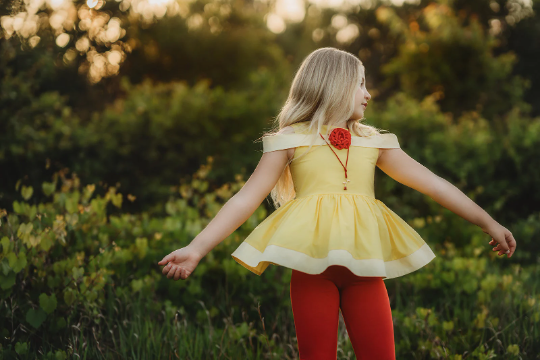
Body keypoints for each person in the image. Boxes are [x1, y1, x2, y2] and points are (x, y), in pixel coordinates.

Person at [158, 47, 517, 359]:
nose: (368, 94)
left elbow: (435, 186)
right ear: (334, 85)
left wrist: (488, 222)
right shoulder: (290, 139)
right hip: (313, 272)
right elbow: (245, 199)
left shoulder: (375, 142)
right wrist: (196, 248)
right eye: (360, 83)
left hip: (365, 274)